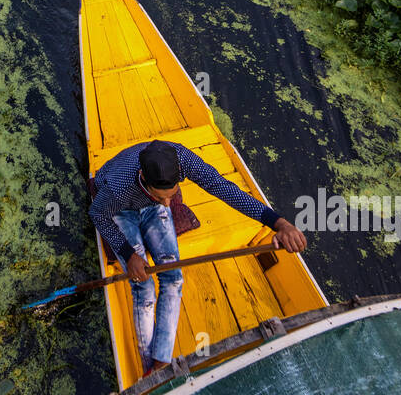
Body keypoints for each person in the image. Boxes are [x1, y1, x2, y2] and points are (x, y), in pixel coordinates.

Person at [88, 138, 307, 376]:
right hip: (120, 210)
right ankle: (146, 365)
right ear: (142, 176)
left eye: (172, 195)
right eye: (162, 197)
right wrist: (129, 254)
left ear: (179, 173)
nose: (169, 203)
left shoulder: (182, 159)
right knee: (144, 285)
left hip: (148, 207)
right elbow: (98, 214)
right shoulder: (118, 186)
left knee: (173, 278)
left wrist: (279, 222)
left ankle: (159, 365)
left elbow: (223, 188)